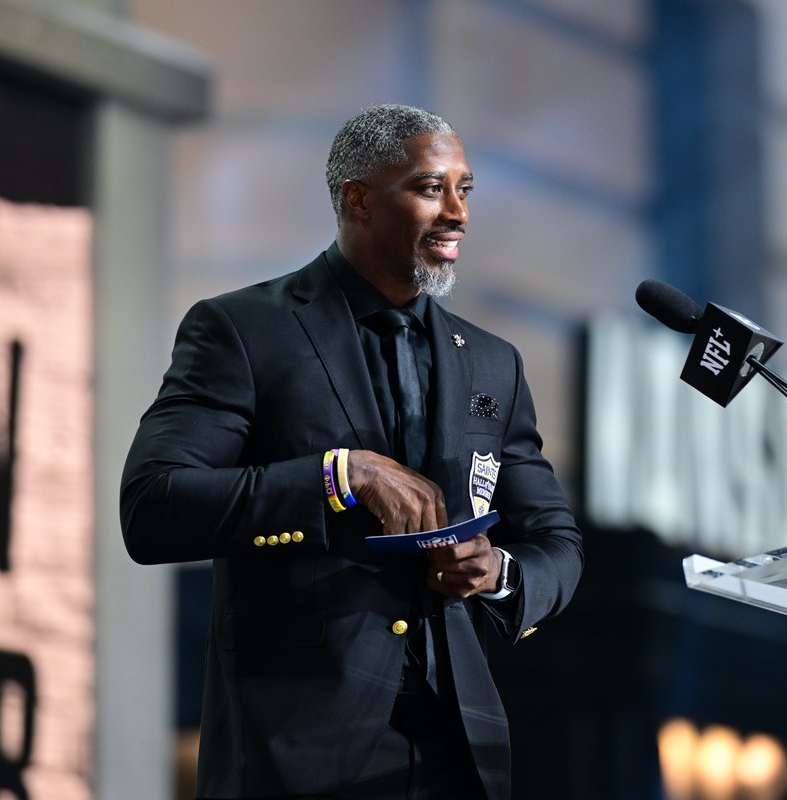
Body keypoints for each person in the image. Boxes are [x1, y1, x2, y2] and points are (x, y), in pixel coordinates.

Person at [120, 104, 583, 800]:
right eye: (431, 188)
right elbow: (153, 505)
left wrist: (498, 572)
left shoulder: (493, 365)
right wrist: (340, 475)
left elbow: (557, 541)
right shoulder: (244, 329)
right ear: (358, 200)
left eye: (465, 189)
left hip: (458, 755)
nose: (457, 212)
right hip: (297, 755)